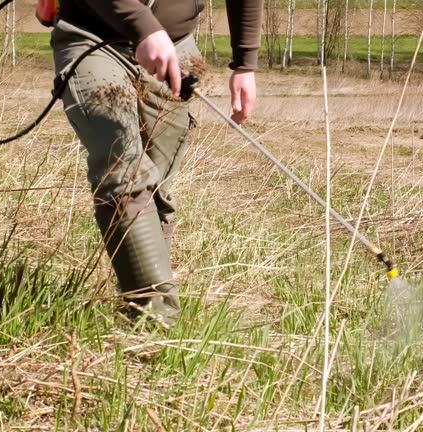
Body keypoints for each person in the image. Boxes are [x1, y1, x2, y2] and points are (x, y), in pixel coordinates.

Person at [49, 0, 263, 327]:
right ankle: (156, 323)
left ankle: (152, 325)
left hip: (176, 47)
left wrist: (245, 63)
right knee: (122, 168)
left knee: (157, 188)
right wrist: (143, 25)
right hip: (91, 38)